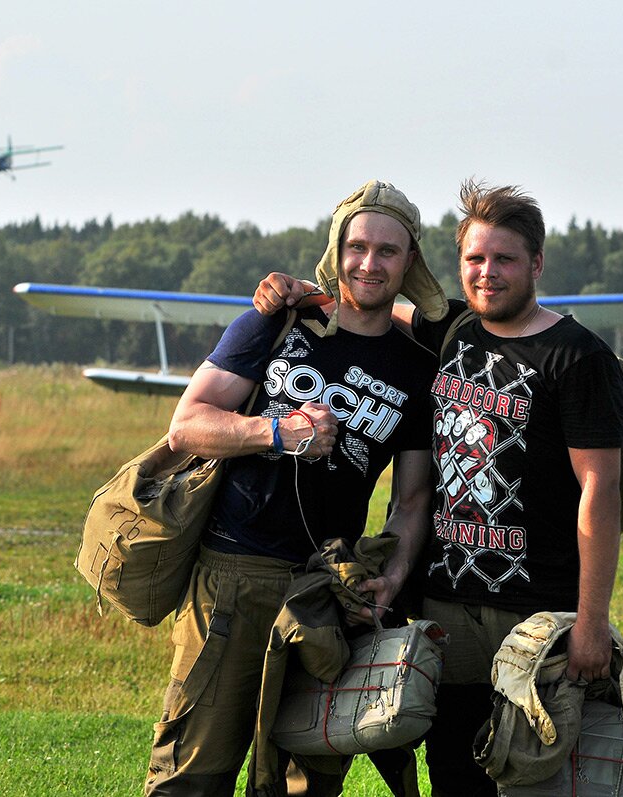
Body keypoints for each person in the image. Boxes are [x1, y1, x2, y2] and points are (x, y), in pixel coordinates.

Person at [252, 179, 623, 797]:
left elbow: (601, 492)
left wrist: (592, 622)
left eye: (505, 259)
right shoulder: (452, 330)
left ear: (537, 264)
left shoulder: (577, 357)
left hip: (537, 609)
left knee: (534, 775)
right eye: (475, 259)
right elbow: (367, 304)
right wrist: (296, 291)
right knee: (454, 772)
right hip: (445, 604)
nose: (488, 273)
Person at [145, 179, 449, 797]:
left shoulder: (418, 370)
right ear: (337, 250)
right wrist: (279, 433)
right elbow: (188, 425)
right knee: (191, 775)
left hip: (324, 591)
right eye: (357, 246)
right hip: (234, 576)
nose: (369, 263)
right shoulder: (277, 324)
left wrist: (390, 579)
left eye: (387, 251)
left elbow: (413, 500)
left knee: (302, 782)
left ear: (410, 262)